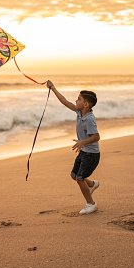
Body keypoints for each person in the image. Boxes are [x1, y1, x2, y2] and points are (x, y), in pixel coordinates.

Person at [46, 80, 101, 215]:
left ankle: (91, 204)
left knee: (79, 178)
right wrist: (53, 88)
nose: (76, 101)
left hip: (91, 154)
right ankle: (92, 184)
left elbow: (96, 137)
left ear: (86, 104)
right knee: (74, 175)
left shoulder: (89, 119)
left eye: (79, 99)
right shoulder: (79, 112)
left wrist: (83, 142)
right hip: (84, 151)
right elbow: (64, 101)